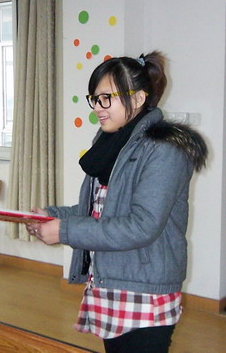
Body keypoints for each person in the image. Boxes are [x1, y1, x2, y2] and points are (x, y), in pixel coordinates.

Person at [26, 51, 207, 353]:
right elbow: (99, 210)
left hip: (144, 291)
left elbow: (141, 226)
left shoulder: (164, 150)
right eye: (95, 99)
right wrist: (51, 216)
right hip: (110, 281)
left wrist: (64, 231)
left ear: (138, 99)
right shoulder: (109, 144)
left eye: (106, 98)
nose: (98, 107)